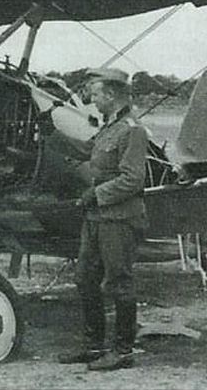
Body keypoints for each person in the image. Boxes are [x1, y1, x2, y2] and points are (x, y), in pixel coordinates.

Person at [58, 68, 148, 372]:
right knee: (85, 278)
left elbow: (133, 179)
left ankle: (123, 352)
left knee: (119, 282)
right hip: (96, 218)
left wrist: (95, 194)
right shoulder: (108, 129)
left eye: (95, 94)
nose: (92, 99)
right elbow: (88, 154)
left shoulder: (132, 130)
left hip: (119, 219)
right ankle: (94, 346)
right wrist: (51, 134)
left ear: (110, 95)